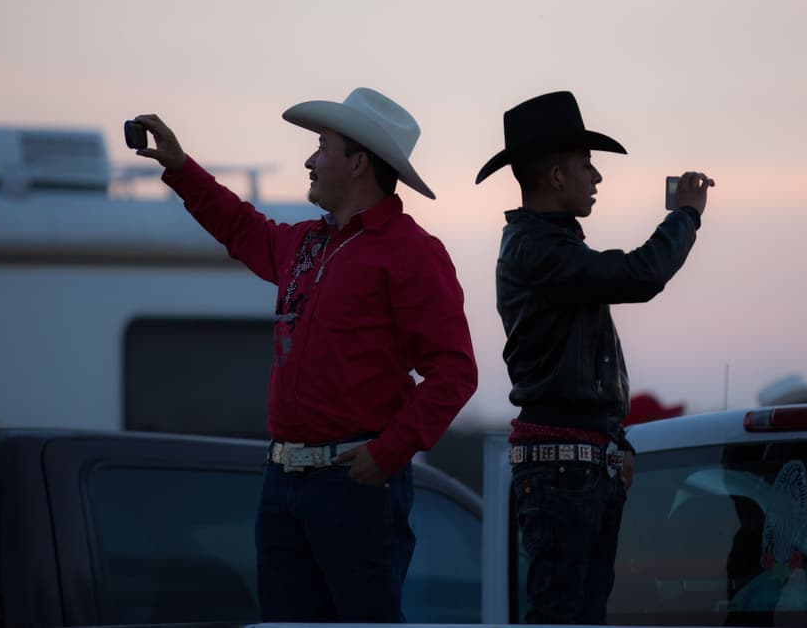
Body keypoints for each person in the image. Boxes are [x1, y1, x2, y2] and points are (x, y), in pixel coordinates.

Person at [133, 87, 478, 623]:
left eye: (322, 146)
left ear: (359, 162)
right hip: (287, 483)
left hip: (355, 487)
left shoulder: (412, 252)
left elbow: (454, 372)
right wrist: (180, 167)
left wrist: (387, 453)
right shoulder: (309, 243)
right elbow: (239, 226)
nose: (310, 160)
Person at [474, 90, 712, 624]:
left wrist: (613, 440)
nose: (596, 177)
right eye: (587, 165)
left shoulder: (544, 249)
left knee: (574, 614)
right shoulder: (537, 250)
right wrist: (685, 218)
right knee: (564, 616)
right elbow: (639, 275)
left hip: (573, 469)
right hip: (563, 473)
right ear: (557, 176)